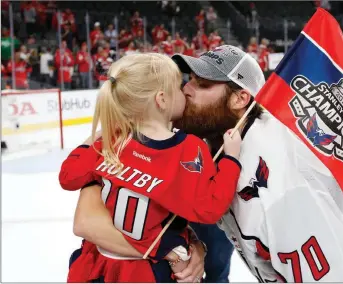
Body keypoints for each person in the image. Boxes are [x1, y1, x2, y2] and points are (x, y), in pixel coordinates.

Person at [67, 45, 343, 282]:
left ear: (238, 100)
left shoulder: (275, 178)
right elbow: (89, 216)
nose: (185, 88)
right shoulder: (204, 144)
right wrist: (187, 247)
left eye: (202, 85)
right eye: (188, 79)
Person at [59, 53, 243, 282]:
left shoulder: (111, 141)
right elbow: (210, 208)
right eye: (180, 85)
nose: (185, 89)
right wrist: (231, 160)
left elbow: (68, 176)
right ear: (162, 99)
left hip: (97, 267)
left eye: (201, 84)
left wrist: (90, 142)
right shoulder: (188, 148)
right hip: (148, 272)